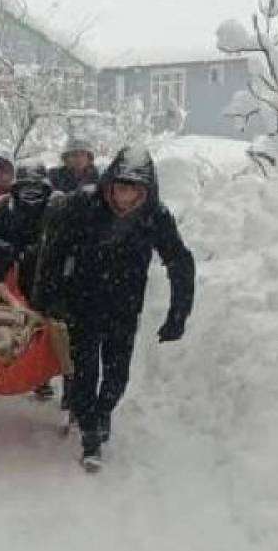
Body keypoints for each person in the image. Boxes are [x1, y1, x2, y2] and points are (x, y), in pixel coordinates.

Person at [32, 145, 195, 471]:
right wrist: (49, 300)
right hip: (82, 304)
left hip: (125, 307)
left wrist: (178, 314)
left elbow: (179, 261)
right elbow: (52, 253)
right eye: (120, 187)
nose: (124, 197)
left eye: (133, 189)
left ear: (145, 191)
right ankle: (90, 435)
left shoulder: (155, 216)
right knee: (83, 372)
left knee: (117, 375)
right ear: (109, 184)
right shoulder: (83, 206)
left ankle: (103, 410)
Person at [0, 165, 57, 400]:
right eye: (27, 185)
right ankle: (30, 373)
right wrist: (8, 254)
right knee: (22, 327)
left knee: (52, 330)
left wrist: (41, 252)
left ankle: (47, 375)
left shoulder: (57, 205)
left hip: (50, 276)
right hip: (16, 275)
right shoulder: (4, 206)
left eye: (37, 186)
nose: (32, 192)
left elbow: (65, 238)